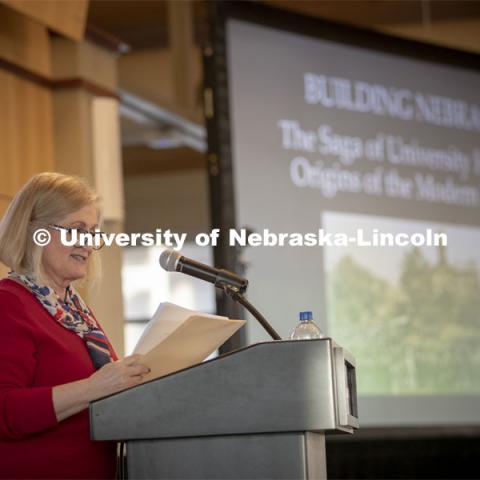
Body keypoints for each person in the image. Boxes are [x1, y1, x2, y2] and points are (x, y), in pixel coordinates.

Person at [0, 172, 150, 479]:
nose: (88, 244)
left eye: (93, 233)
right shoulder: (10, 303)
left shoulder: (74, 312)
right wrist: (95, 388)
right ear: (35, 232)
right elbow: (4, 410)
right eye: (76, 230)